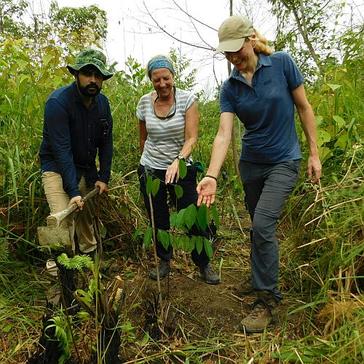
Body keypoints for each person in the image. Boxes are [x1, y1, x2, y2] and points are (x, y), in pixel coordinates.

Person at [197, 16, 322, 332]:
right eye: (227, 54)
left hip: (284, 160)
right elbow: (224, 134)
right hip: (251, 166)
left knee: (264, 224)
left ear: (251, 39)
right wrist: (211, 174)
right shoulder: (230, 88)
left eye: (236, 50)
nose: (233, 58)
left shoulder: (281, 64)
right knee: (258, 227)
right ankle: (258, 278)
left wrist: (314, 153)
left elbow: (304, 107)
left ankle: (267, 300)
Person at [137, 55, 220, 285]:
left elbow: (192, 138)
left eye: (166, 78)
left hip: (181, 169)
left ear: (173, 76)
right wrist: (146, 164)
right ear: (151, 80)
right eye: (156, 80)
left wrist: (178, 160)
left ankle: (203, 263)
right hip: (150, 169)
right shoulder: (144, 102)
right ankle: (164, 260)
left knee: (193, 216)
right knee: (158, 216)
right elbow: (143, 139)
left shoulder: (187, 100)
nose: (162, 84)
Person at [39, 48, 114, 256]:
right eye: (87, 74)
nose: (92, 80)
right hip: (56, 167)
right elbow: (61, 150)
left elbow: (106, 143)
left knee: (86, 221)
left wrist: (103, 177)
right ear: (76, 74)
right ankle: (60, 272)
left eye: (97, 76)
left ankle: (90, 263)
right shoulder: (58, 103)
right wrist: (73, 191)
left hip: (86, 166)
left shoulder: (103, 104)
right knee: (61, 219)